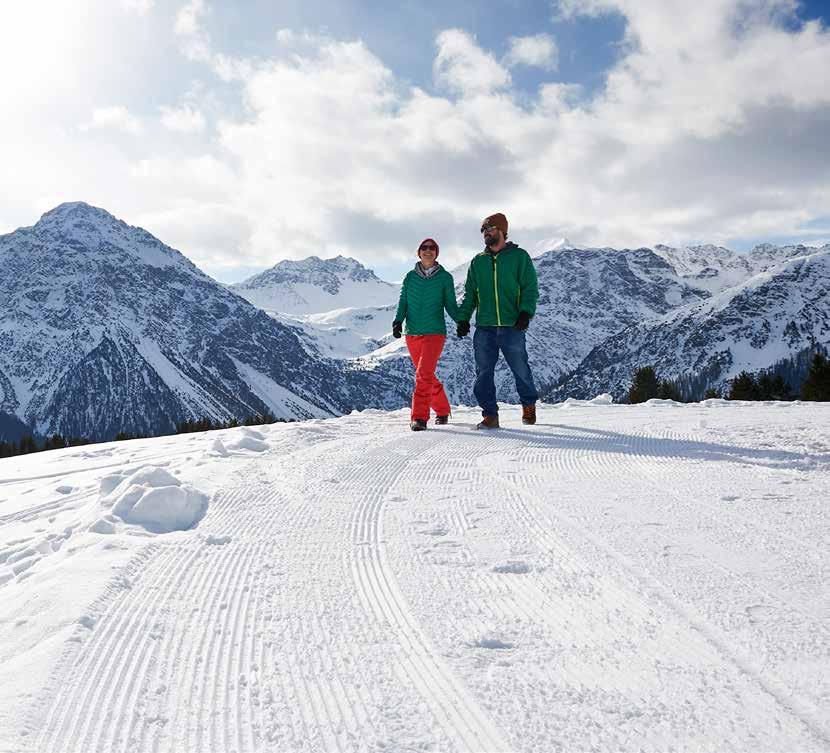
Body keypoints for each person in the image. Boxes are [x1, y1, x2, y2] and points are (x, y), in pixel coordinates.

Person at [456, 213, 539, 429]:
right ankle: (490, 415)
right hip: (485, 326)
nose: (486, 233)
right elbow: (470, 295)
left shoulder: (519, 257)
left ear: (502, 231)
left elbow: (530, 288)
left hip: (512, 325)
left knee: (520, 368)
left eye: (490, 228)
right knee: (483, 372)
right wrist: (463, 319)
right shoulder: (478, 262)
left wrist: (525, 313)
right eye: (483, 230)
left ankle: (528, 404)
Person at [392, 238, 460, 431]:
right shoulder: (410, 277)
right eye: (424, 248)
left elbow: (451, 305)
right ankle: (443, 409)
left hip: (435, 333)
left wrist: (460, 321)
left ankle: (419, 418)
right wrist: (398, 321)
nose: (428, 251)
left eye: (432, 248)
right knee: (427, 375)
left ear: (436, 253)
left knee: (423, 375)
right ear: (419, 252)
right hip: (412, 333)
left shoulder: (445, 277)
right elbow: (403, 301)